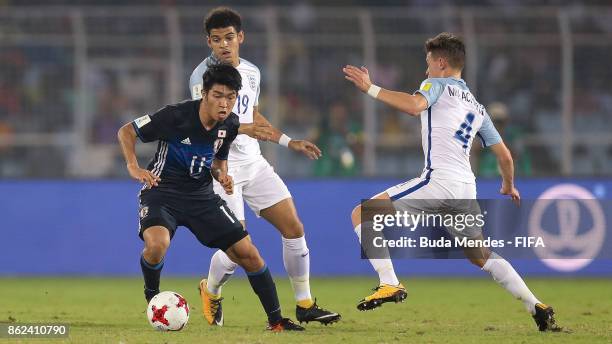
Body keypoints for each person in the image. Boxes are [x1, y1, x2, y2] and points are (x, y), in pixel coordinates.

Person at [343, 32, 561, 332]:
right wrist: (508, 185)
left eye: (429, 63)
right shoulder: (477, 106)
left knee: (362, 213)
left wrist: (370, 88)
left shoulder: (435, 85)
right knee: (480, 255)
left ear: (442, 63)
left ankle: (389, 283)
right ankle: (535, 305)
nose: (426, 70)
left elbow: (413, 106)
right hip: (465, 188)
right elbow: (505, 156)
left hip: (438, 180)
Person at [117, 64, 303, 331]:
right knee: (157, 245)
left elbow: (218, 161)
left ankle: (276, 321)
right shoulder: (175, 115)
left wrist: (222, 176)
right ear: (203, 93)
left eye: (230, 97)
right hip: (162, 191)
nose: (224, 103)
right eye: (218, 95)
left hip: (201, 197)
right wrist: (133, 167)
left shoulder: (230, 124)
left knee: (248, 254)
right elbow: (126, 131)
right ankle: (152, 298)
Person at [189, 7, 340, 326]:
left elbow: (253, 118)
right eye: (217, 40)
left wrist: (289, 141)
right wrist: (241, 130)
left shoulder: (252, 73)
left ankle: (305, 304)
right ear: (209, 42)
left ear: (240, 37)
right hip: (221, 167)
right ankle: (211, 288)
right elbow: (202, 127)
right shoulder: (200, 78)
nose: (224, 45)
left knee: (294, 228)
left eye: (229, 38)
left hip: (254, 163)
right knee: (236, 251)